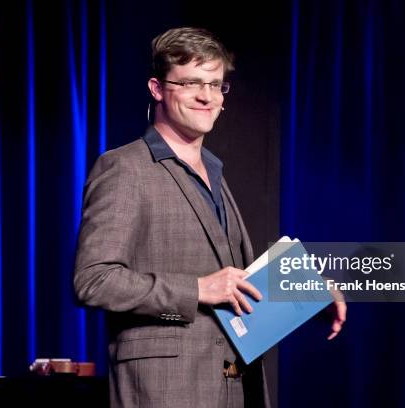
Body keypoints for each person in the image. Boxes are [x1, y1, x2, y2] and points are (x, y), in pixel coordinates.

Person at [73, 27, 346, 408]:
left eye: (216, 85)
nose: (207, 96)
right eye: (191, 83)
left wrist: (305, 294)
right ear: (157, 88)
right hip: (165, 391)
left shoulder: (215, 173)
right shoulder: (125, 168)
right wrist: (198, 289)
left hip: (238, 387)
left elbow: (237, 288)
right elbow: (94, 280)